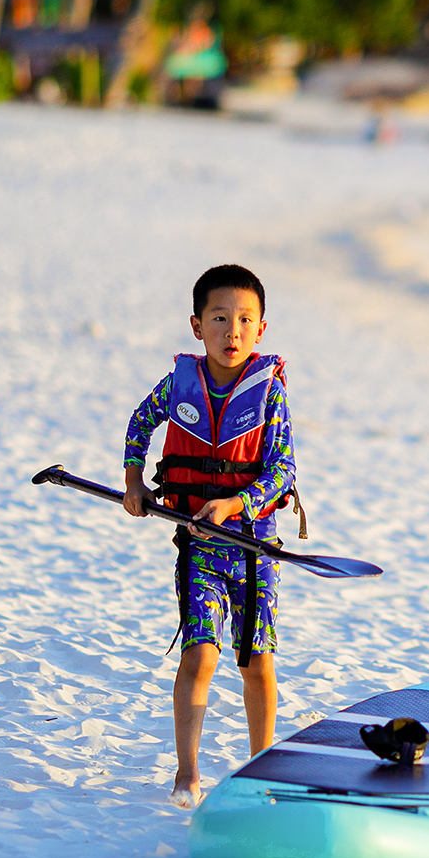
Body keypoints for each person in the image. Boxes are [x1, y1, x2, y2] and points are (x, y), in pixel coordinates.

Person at [122, 265, 300, 809]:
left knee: (257, 663)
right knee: (199, 656)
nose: (233, 332)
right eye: (220, 319)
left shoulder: (268, 393)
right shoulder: (180, 383)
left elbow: (283, 471)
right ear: (197, 326)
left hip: (254, 550)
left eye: (245, 320)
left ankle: (259, 768)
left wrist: (237, 502)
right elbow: (138, 424)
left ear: (261, 329)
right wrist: (134, 481)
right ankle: (188, 773)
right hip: (198, 543)